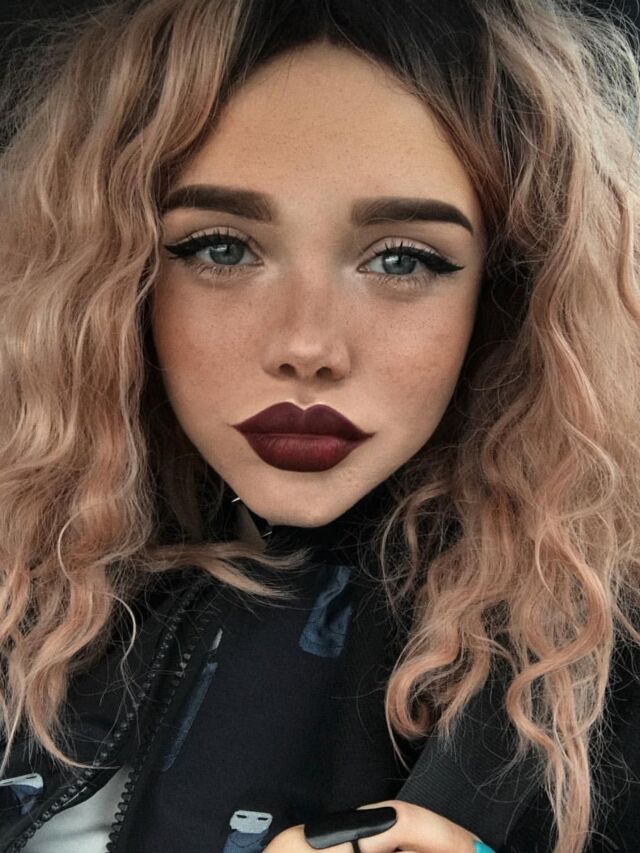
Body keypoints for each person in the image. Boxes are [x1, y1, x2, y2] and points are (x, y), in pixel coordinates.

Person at [0, 0, 639, 850]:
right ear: (113, 274)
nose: (307, 346)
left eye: (402, 258)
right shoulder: (21, 567)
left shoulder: (605, 659)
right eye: (222, 248)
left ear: (510, 285)